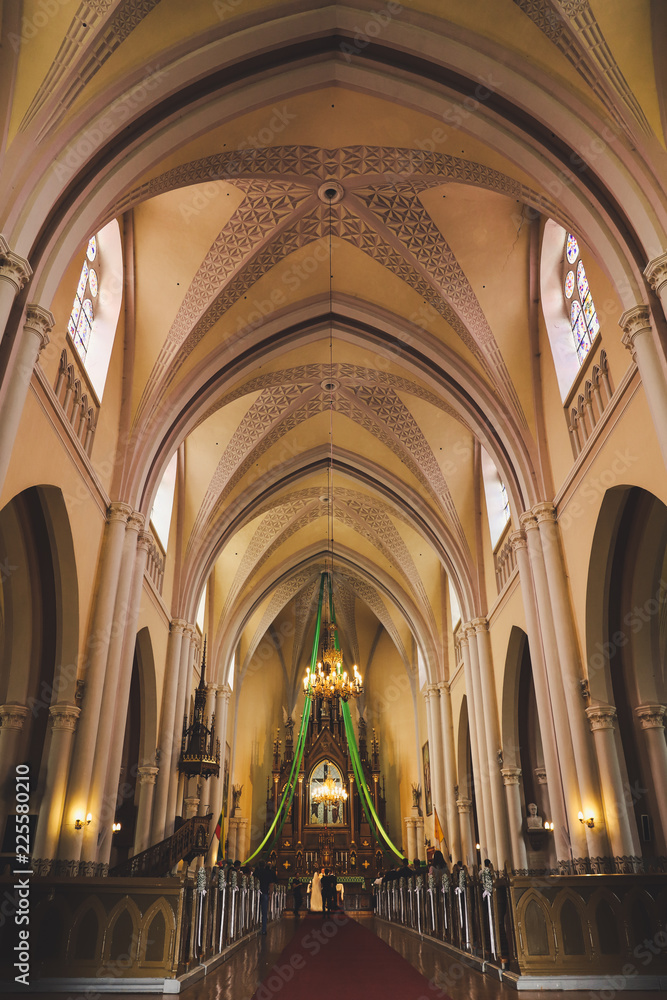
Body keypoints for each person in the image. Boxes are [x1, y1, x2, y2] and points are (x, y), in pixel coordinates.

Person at [256, 859, 275, 934]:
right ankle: (263, 929)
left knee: (255, 910)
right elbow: (271, 884)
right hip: (265, 893)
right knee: (264, 912)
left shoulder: (256, 872)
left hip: (255, 893)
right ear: (264, 866)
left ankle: (255, 926)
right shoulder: (267, 873)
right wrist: (270, 893)